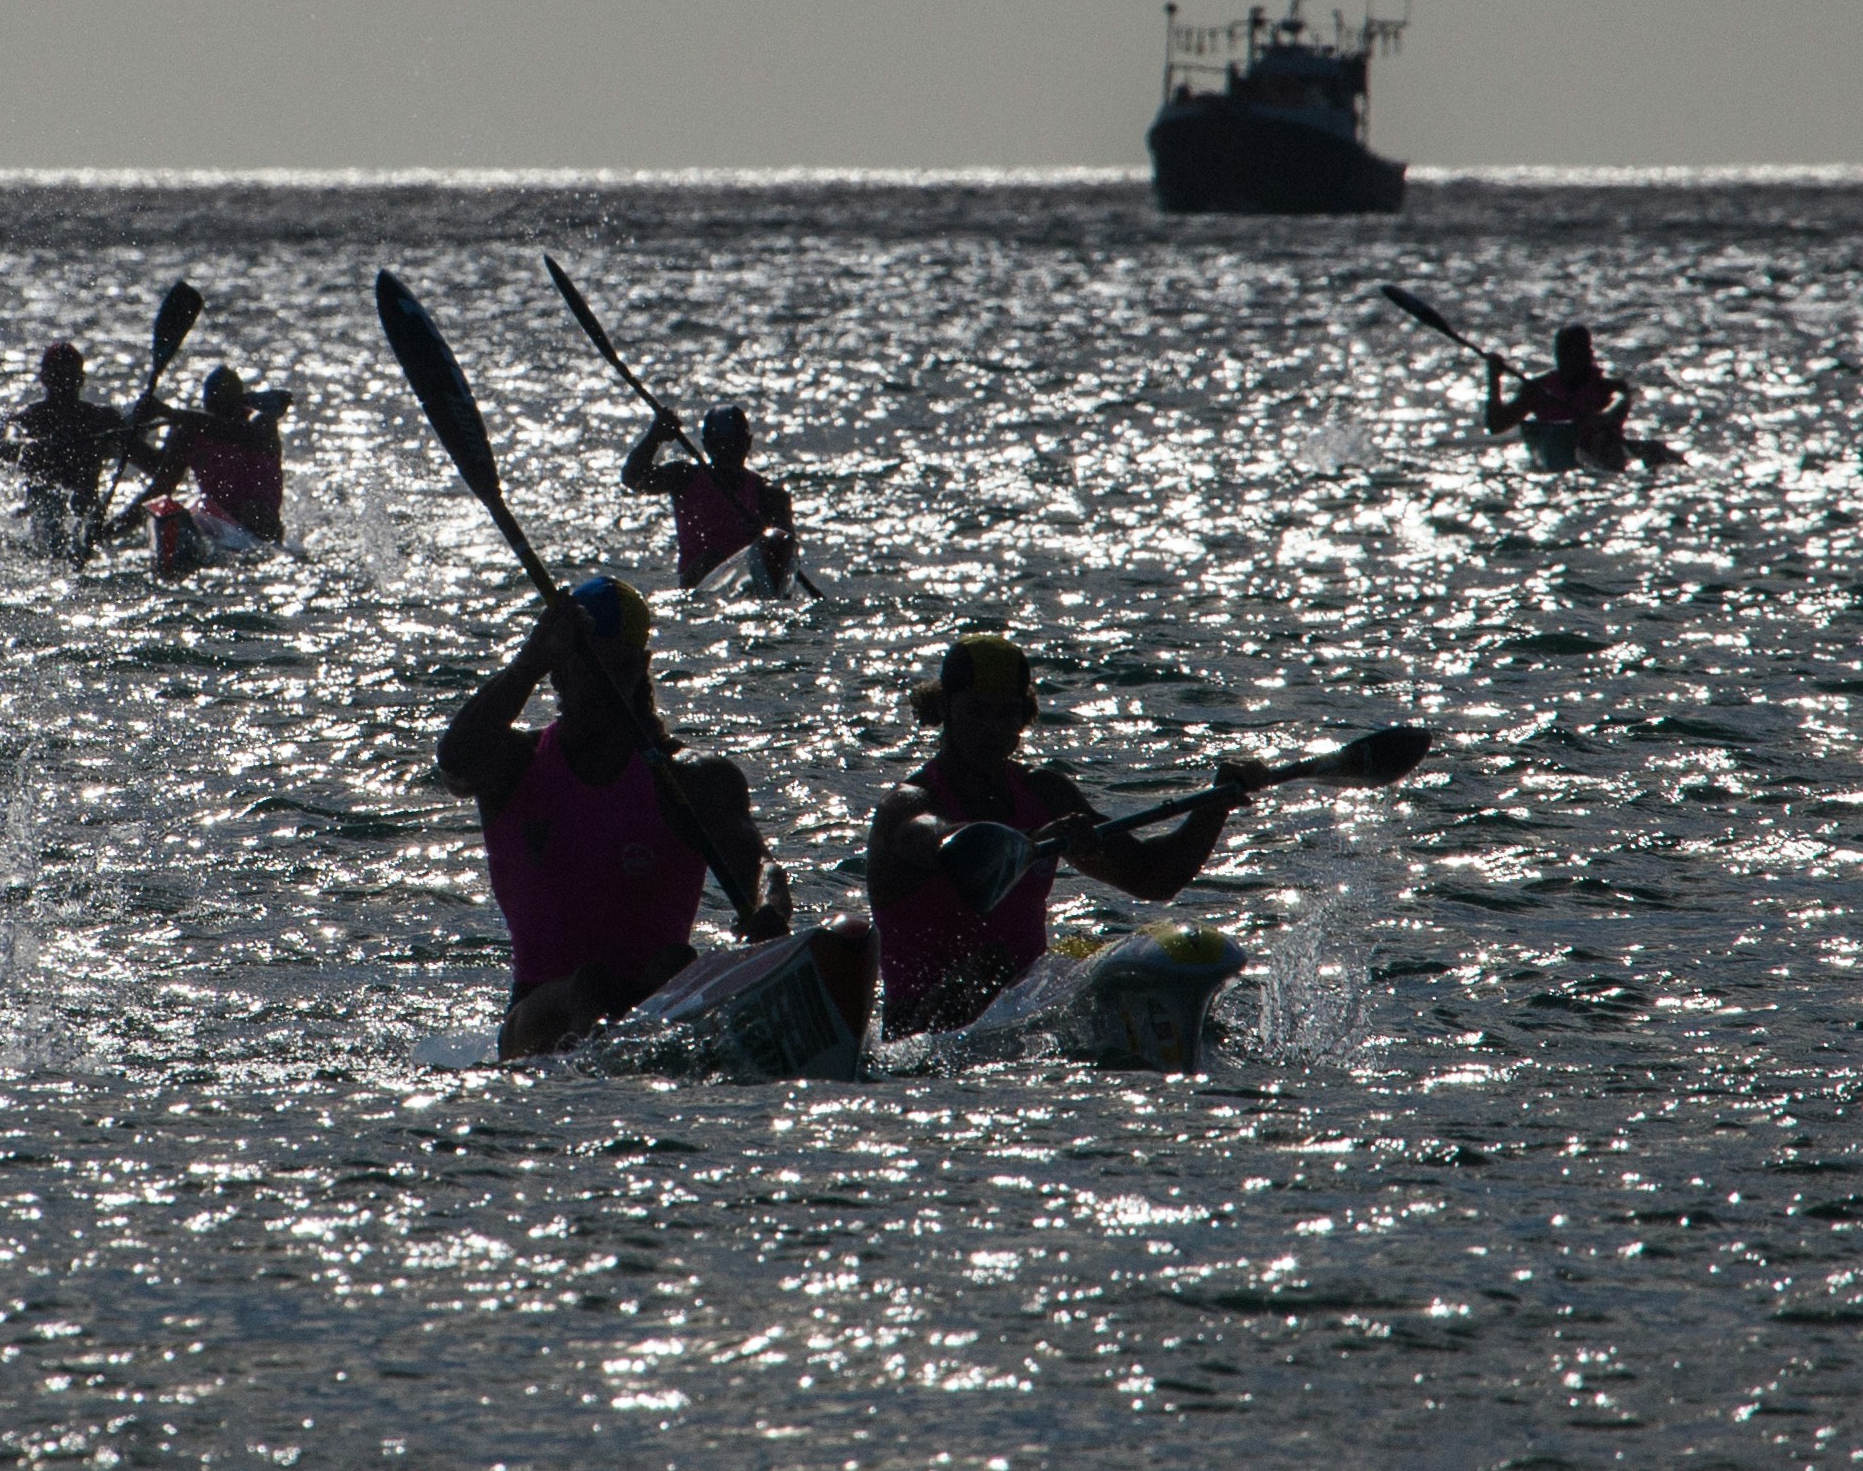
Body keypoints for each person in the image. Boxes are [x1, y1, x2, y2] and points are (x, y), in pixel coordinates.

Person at [439, 574, 796, 1057]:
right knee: (593, 984)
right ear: (559, 670)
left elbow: (759, 866)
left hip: (658, 1002)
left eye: (618, 670)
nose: (601, 688)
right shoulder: (512, 766)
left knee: (673, 964)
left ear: (641, 669)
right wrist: (526, 664)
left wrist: (770, 907)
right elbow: (455, 762)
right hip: (539, 1019)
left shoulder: (692, 780)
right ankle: (628, 1062)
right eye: (588, 667)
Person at [863, 632, 1258, 1038]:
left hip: (1024, 1021)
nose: (992, 729)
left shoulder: (1045, 793)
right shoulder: (908, 805)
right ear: (945, 708)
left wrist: (1214, 805)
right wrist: (1035, 839)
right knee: (990, 965)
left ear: (1025, 716)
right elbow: (946, 843)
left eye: (1007, 714)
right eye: (977, 711)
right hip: (921, 1031)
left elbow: (1154, 878)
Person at [11, 341, 168, 563]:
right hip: (80, 529)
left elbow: (155, 467)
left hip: (62, 532)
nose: (63, 384)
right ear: (82, 380)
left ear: (43, 379)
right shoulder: (97, 421)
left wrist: (142, 424)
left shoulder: (26, 422)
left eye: (66, 376)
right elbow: (158, 469)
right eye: (60, 376)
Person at [130, 365, 291, 570]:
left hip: (258, 530)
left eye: (226, 403)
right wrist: (107, 531)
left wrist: (169, 413)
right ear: (206, 404)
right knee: (174, 506)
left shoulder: (260, 424)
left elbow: (230, 431)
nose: (220, 411)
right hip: (213, 525)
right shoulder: (189, 434)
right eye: (214, 403)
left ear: (240, 402)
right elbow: (159, 489)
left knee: (255, 511)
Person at [622, 405, 795, 590]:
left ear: (748, 443)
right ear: (706, 445)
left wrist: (768, 536)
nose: (728, 451)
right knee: (710, 558)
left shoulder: (769, 494)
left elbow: (787, 556)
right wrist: (655, 436)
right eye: (720, 444)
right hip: (697, 586)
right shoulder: (683, 477)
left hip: (747, 584)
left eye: (735, 444)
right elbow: (632, 478)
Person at [1483, 325, 1636, 456]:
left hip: (1599, 457)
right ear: (1557, 356)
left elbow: (1619, 402)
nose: (1571, 361)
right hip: (1555, 458)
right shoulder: (1538, 389)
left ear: (1589, 354)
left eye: (1577, 354)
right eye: (1565, 354)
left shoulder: (1610, 386)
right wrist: (1494, 379)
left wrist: (1603, 416)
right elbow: (1496, 426)